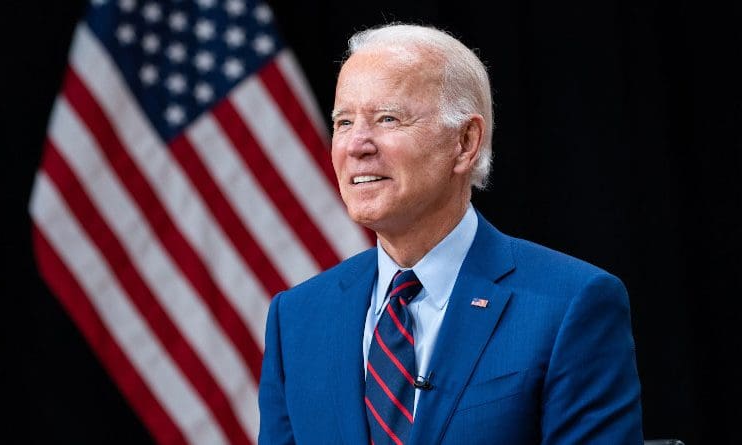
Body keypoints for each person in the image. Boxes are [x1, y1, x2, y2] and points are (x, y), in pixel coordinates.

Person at [258, 23, 643, 444]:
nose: (356, 145)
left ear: (465, 141)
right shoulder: (297, 319)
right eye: (344, 121)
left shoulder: (571, 305)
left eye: (387, 118)